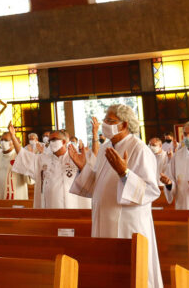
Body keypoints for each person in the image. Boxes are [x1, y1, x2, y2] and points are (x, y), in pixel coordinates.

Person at [68, 104, 163, 288]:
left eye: (110, 121)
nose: (104, 124)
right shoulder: (105, 148)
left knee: (132, 274)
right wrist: (83, 167)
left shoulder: (139, 149)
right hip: (103, 218)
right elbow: (98, 184)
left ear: (124, 124)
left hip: (127, 224)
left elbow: (151, 190)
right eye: (105, 119)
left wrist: (124, 173)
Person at [11, 127, 89, 209]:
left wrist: (82, 166)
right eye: (50, 140)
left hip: (72, 206)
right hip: (50, 206)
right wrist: (13, 136)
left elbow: (89, 178)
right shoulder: (43, 159)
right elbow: (23, 156)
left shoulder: (76, 157)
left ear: (63, 142)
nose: (51, 142)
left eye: (54, 139)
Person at [0, 130, 28, 199]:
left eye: (6, 140)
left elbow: (29, 178)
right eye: (1, 140)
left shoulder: (19, 156)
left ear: (13, 142)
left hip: (16, 196)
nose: (3, 142)